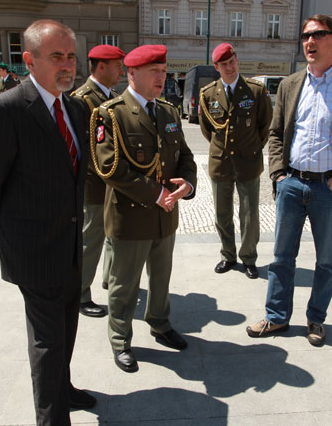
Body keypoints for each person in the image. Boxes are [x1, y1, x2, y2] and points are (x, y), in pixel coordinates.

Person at [0, 19, 95, 426]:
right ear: (29, 60)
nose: (67, 65)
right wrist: (5, 238)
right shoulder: (6, 109)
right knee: (47, 340)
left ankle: (63, 389)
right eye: (56, 56)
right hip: (33, 251)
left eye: (71, 56)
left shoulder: (75, 109)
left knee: (67, 327)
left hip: (69, 244)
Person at [246, 14, 332, 347]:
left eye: (318, 35)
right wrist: (278, 174)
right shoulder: (290, 85)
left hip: (330, 189)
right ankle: (277, 317)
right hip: (292, 184)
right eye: (306, 36)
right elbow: (275, 133)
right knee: (281, 258)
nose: (310, 41)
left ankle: (316, 318)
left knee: (326, 261)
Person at [92, 45, 197, 373]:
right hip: (130, 216)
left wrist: (188, 184)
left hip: (165, 215)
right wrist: (156, 193)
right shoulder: (111, 113)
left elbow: (185, 155)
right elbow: (109, 167)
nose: (161, 78)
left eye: (163, 71)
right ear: (132, 74)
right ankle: (120, 339)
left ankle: (160, 323)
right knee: (124, 283)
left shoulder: (168, 111)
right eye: (154, 72)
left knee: (161, 277)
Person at [199, 43, 272, 279]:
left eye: (232, 62)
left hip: (248, 162)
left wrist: (251, 147)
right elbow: (208, 130)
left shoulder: (256, 91)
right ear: (216, 67)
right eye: (224, 64)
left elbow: (264, 126)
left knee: (249, 215)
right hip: (220, 163)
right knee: (222, 213)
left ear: (237, 61)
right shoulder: (208, 94)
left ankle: (249, 257)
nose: (229, 67)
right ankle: (228, 255)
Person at [70, 44, 125, 318]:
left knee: (113, 235)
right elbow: (84, 148)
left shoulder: (112, 96)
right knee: (90, 241)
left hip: (113, 183)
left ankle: (109, 278)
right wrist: (112, 174)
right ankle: (79, 294)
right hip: (94, 185)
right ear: (101, 67)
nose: (122, 71)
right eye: (118, 66)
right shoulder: (81, 99)